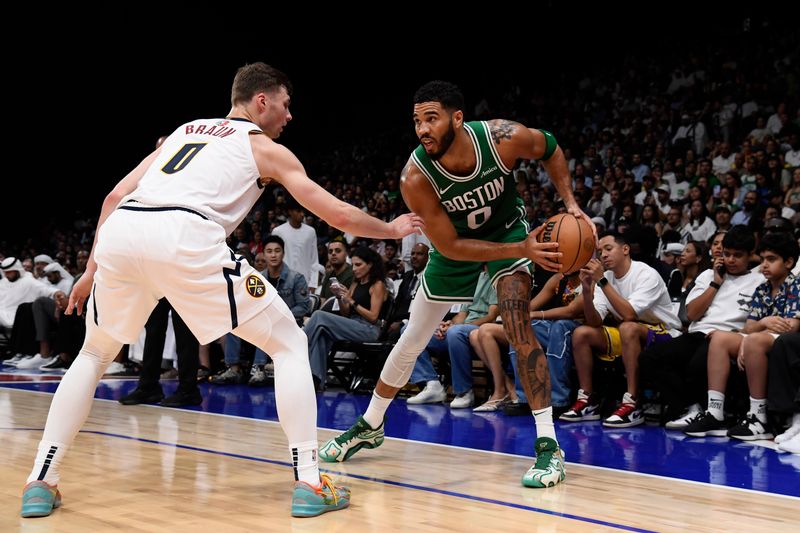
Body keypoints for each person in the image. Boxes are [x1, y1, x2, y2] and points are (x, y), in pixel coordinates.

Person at [20, 62, 423, 519]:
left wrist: (91, 269)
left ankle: (40, 481)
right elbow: (339, 216)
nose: (290, 117)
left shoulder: (182, 131)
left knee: (93, 356)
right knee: (289, 342)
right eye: (287, 106)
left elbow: (113, 198)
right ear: (262, 101)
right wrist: (390, 230)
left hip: (125, 232)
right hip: (186, 236)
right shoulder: (263, 148)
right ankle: (310, 482)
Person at [319, 80, 593, 489]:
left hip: (507, 234)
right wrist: (523, 247)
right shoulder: (415, 176)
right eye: (417, 121)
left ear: (457, 118)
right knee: (411, 339)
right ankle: (370, 424)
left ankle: (550, 447)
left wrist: (570, 204)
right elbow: (450, 244)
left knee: (519, 329)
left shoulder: (501, 138)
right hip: (457, 249)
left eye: (432, 118)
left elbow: (549, 147)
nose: (423, 129)